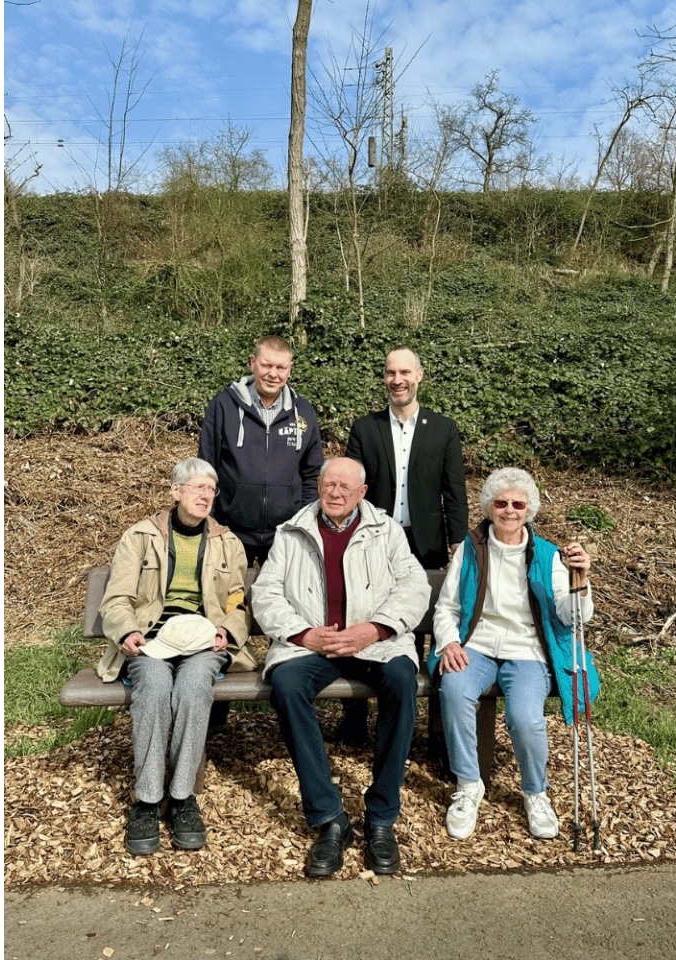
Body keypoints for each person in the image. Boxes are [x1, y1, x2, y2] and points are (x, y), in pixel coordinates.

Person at [252, 458, 431, 877]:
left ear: (362, 493)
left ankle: (382, 816)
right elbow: (266, 594)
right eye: (328, 484)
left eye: (345, 488)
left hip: (373, 642)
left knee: (402, 682)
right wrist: (302, 634)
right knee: (287, 684)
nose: (335, 493)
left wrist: (376, 628)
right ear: (318, 486)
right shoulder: (292, 531)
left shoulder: (386, 531)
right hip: (312, 644)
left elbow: (414, 585)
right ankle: (329, 817)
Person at [425, 467, 597, 841]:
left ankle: (536, 792)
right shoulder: (471, 548)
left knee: (525, 718)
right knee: (454, 692)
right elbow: (447, 608)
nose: (508, 510)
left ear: (528, 509)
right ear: (489, 507)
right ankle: (469, 785)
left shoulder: (549, 555)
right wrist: (450, 643)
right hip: (478, 645)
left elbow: (574, 618)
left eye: (517, 504)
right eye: (501, 503)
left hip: (527, 650)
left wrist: (580, 580)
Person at [97, 458, 257, 856]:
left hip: (204, 643)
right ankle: (148, 800)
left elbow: (239, 603)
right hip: (152, 640)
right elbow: (116, 600)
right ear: (176, 491)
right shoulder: (140, 537)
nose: (206, 496)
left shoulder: (227, 542)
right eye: (198, 488)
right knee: (152, 686)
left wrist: (228, 631)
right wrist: (129, 631)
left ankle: (183, 797)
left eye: (211, 490)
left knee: (191, 687)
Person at [340, 346, 468, 744]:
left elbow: (455, 493)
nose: (398, 380)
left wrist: (460, 548)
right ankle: (355, 717)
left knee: (416, 627)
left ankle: (411, 720)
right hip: (372, 540)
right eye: (391, 372)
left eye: (405, 372)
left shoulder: (443, 429)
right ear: (385, 377)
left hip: (424, 543)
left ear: (420, 376)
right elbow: (348, 489)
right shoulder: (366, 428)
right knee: (362, 616)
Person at [199, 335, 325, 566]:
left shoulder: (304, 412)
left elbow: (312, 474)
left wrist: (301, 521)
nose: (273, 374)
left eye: (280, 367)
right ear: (253, 363)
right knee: (230, 600)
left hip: (285, 535)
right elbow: (206, 467)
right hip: (231, 531)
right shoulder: (223, 406)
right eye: (266, 365)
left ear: (290, 369)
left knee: (280, 601)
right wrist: (213, 521)